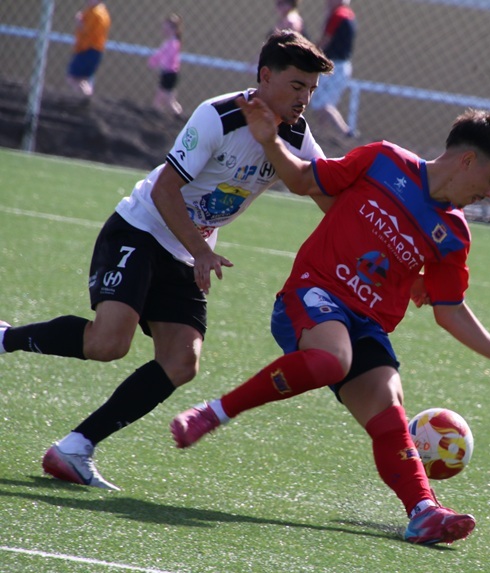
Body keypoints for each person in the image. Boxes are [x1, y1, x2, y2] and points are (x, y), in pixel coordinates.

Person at [170, 101, 490, 545]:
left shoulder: (453, 234)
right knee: (332, 359)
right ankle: (214, 412)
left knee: (389, 403)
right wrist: (270, 141)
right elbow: (302, 179)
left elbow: (450, 311)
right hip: (312, 294)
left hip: (366, 325)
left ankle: (423, 512)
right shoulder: (383, 160)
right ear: (468, 161)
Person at [0, 31, 334, 491]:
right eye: (297, 85)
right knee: (107, 343)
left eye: (312, 90)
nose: (305, 99)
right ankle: (6, 337)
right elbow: (164, 190)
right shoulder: (218, 116)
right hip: (142, 228)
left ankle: (75, 448)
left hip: (186, 250)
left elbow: (326, 194)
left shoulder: (296, 136)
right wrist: (202, 251)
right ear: (265, 76)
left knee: (181, 361)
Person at [310, 0, 357, 137]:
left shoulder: (338, 15)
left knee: (322, 104)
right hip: (341, 66)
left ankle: (346, 132)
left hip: (334, 66)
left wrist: (311, 53)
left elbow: (326, 39)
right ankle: (322, 133)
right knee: (323, 104)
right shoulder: (348, 14)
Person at [66, 0, 111, 98]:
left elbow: (87, 31)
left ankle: (86, 98)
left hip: (88, 49)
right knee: (83, 79)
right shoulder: (101, 11)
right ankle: (86, 97)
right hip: (94, 50)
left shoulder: (95, 12)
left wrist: (79, 22)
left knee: (73, 77)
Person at [148, 13, 184, 117]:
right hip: (167, 73)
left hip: (170, 73)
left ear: (174, 30)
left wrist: (160, 63)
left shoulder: (174, 44)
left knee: (167, 99)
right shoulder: (168, 42)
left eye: (167, 28)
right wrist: (154, 61)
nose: (164, 30)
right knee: (163, 96)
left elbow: (169, 57)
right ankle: (156, 111)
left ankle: (178, 115)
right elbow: (160, 54)